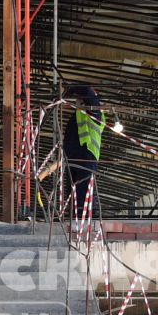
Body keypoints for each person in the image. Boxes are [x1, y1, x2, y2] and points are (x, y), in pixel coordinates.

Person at [59, 79, 106, 217]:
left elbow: (87, 91)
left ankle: (87, 217)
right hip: (74, 156)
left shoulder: (96, 112)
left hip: (87, 154)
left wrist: (71, 89)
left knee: (84, 188)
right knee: (73, 191)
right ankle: (76, 217)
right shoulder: (79, 114)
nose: (78, 101)